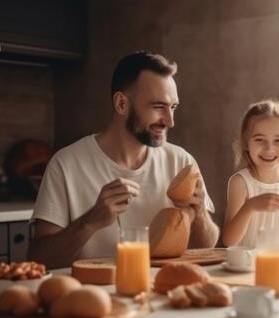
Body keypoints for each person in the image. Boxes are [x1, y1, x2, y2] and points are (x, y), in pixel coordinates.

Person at [29, 51, 219, 268]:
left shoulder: (181, 161)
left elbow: (205, 249)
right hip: (92, 296)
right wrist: (89, 222)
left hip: (161, 294)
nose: (170, 121)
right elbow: (37, 260)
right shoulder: (66, 164)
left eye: (173, 107)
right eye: (158, 107)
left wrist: (200, 214)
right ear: (121, 104)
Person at [223, 100, 279, 248]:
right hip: (247, 266)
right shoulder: (240, 182)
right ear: (246, 142)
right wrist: (250, 206)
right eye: (259, 140)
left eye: (278, 140)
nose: (269, 149)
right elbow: (229, 241)